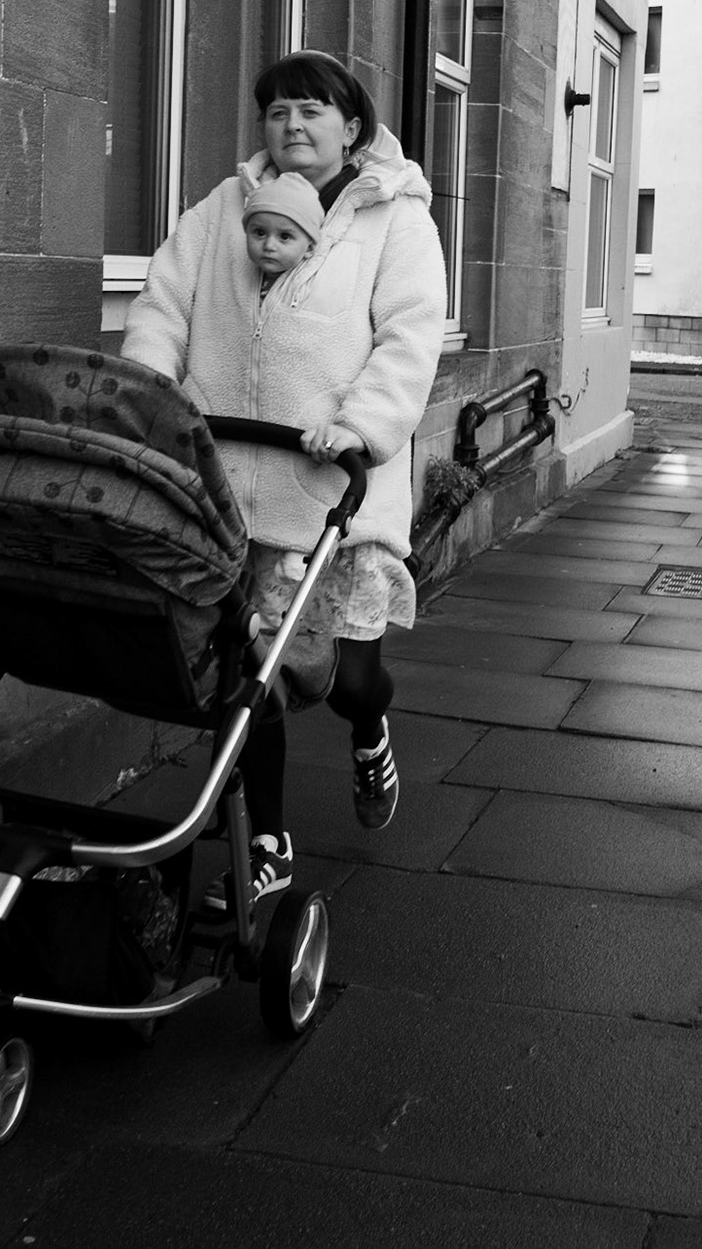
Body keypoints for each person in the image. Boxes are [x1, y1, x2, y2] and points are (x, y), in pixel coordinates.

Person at [122, 49, 447, 911]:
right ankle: (265, 841)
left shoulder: (395, 220)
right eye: (276, 112)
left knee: (347, 674)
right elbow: (163, 304)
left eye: (311, 110)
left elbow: (410, 337)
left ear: (353, 128)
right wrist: (150, 393)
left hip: (334, 488)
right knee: (244, 674)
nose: (292, 125)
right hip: (224, 490)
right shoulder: (223, 208)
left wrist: (360, 428)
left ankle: (371, 722)